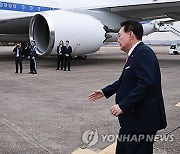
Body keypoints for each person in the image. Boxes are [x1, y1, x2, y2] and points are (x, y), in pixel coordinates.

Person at [89, 20, 167, 154]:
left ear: (130, 35)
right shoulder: (134, 54)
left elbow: (147, 83)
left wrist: (123, 105)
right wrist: (104, 91)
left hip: (141, 122)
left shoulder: (143, 53)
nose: (118, 39)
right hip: (132, 120)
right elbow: (123, 81)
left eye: (120, 35)